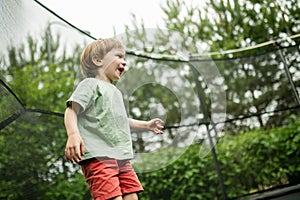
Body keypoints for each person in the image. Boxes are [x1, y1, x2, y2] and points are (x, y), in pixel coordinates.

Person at [64, 38, 164, 200]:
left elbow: (122, 121)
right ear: (98, 60)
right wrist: (73, 134)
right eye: (118, 56)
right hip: (99, 156)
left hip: (121, 157)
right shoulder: (90, 84)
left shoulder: (115, 92)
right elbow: (71, 110)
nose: (123, 62)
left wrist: (146, 125)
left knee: (132, 197)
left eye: (124, 58)